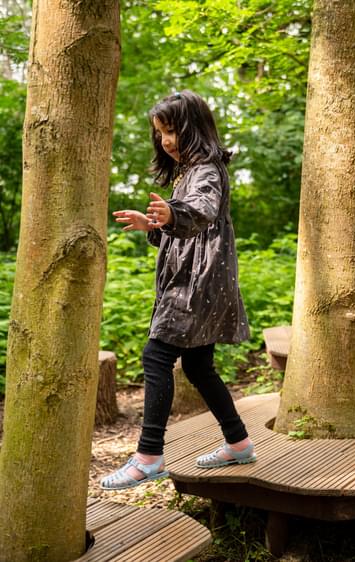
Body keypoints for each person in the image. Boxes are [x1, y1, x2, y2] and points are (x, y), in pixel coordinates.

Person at [101, 90, 256, 490]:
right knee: (198, 367)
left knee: (156, 357)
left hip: (196, 284)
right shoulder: (192, 170)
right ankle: (238, 442)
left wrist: (174, 214)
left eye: (172, 130)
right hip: (202, 281)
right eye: (160, 133)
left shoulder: (205, 170)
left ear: (195, 128)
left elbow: (202, 212)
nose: (166, 140)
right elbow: (185, 228)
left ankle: (149, 456)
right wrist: (157, 224)